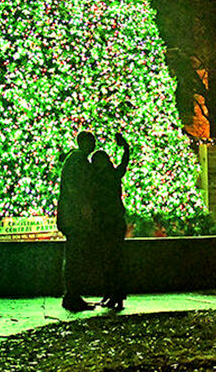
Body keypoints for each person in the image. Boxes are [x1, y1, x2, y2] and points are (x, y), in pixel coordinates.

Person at [89, 132, 131, 311]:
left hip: (110, 221)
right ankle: (112, 294)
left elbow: (124, 162)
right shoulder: (110, 175)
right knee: (110, 259)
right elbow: (124, 163)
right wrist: (126, 147)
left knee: (111, 259)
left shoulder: (104, 177)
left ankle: (114, 295)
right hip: (110, 220)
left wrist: (126, 148)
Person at [56, 130, 96, 312]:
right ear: (84, 143)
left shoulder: (74, 160)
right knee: (75, 256)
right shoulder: (77, 161)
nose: (94, 146)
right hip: (75, 217)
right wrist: (84, 207)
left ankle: (72, 295)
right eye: (91, 142)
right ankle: (72, 296)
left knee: (74, 255)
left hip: (72, 216)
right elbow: (76, 188)